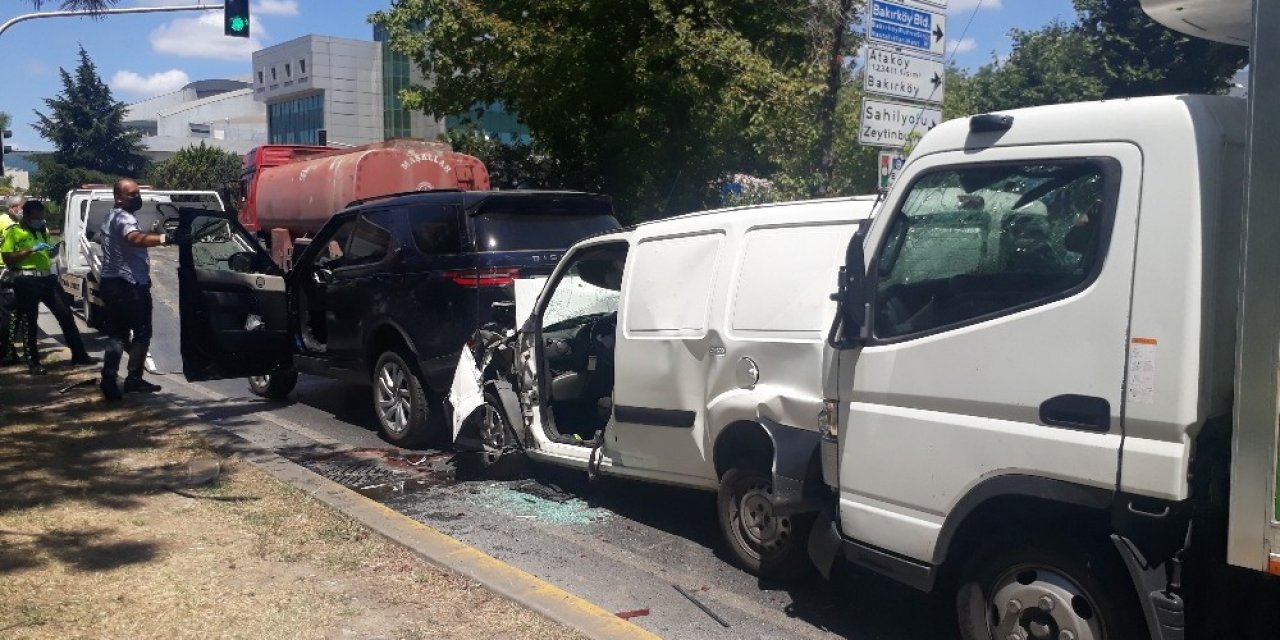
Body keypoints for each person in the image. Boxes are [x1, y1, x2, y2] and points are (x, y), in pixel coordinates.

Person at [98, 179, 184, 400]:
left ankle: (109, 380)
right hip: (128, 287)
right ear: (118, 197)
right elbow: (135, 239)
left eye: (138, 193)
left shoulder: (111, 216)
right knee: (142, 332)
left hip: (112, 283)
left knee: (117, 334)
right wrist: (168, 238)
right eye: (131, 194)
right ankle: (133, 380)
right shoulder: (124, 218)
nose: (137, 198)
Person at [0, 200, 97, 375]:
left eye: (42, 217)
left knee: (66, 315)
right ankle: (34, 363)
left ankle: (79, 355)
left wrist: (52, 250)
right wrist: (30, 250)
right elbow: (8, 258)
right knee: (30, 321)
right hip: (26, 280)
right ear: (27, 215)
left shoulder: (43, 231)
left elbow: (45, 254)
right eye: (37, 217)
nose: (41, 220)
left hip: (47, 279)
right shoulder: (14, 232)